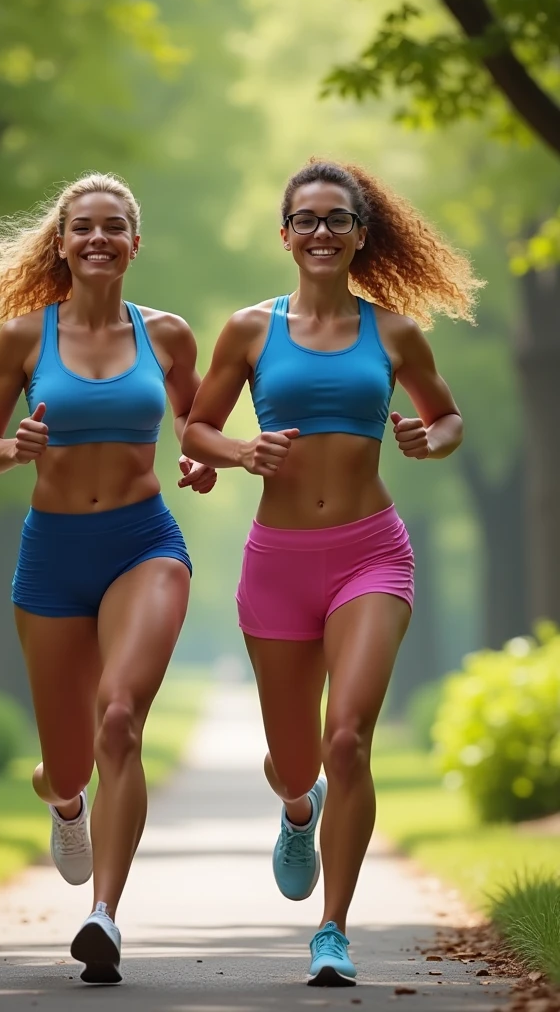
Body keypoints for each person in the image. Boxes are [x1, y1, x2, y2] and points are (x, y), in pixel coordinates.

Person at [182, 159, 481, 987]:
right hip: (276, 565)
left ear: (359, 235)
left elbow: (448, 414)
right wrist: (240, 450)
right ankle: (295, 810)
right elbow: (198, 428)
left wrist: (431, 437)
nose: (321, 231)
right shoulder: (248, 329)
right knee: (296, 760)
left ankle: (334, 930)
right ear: (285, 234)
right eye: (306, 219)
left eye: (337, 219)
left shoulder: (393, 332)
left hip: (370, 552)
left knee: (347, 737)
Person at [0, 173, 216, 985]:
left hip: (144, 544)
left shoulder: (167, 335)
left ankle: (104, 915)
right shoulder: (25, 336)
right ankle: (63, 799)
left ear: (136, 243)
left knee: (121, 718)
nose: (98, 239)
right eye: (83, 228)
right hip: (53, 557)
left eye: (113, 228)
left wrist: (200, 460)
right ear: (61, 243)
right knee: (71, 764)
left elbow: (197, 423)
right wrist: (12, 451)